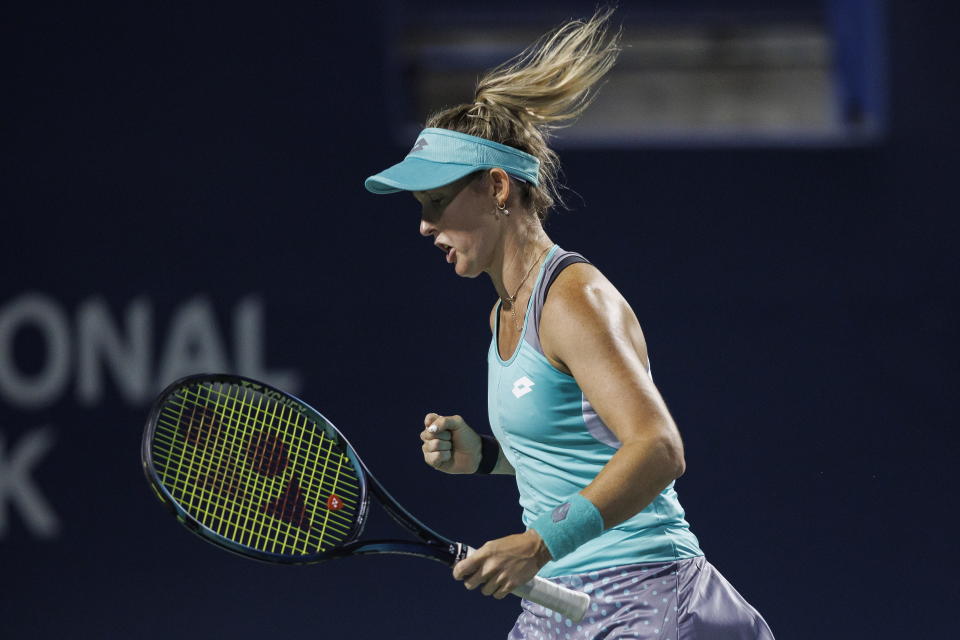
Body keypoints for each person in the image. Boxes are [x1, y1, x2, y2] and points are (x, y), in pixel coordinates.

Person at [364, 8, 774, 639]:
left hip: (646, 593)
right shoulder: (506, 306)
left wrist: (536, 546)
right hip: (560, 606)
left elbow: (658, 448)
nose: (424, 225)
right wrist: (488, 459)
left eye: (438, 202)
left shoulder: (571, 298)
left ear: (499, 187)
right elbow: (585, 446)